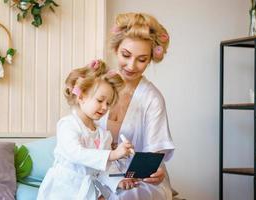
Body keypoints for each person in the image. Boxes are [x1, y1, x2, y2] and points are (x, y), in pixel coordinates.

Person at [97, 13, 175, 199]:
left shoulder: (152, 99)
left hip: (136, 180)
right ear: (116, 49)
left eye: (141, 59)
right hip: (97, 171)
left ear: (150, 59)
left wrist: (155, 172)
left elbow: (152, 155)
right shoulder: (98, 86)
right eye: (126, 55)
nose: (131, 66)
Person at [37, 60, 137, 200]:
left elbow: (105, 168)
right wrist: (112, 154)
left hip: (85, 192)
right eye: (100, 100)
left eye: (108, 103)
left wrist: (119, 181)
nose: (104, 107)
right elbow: (75, 153)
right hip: (61, 191)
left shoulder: (103, 135)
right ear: (81, 96)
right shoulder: (68, 125)